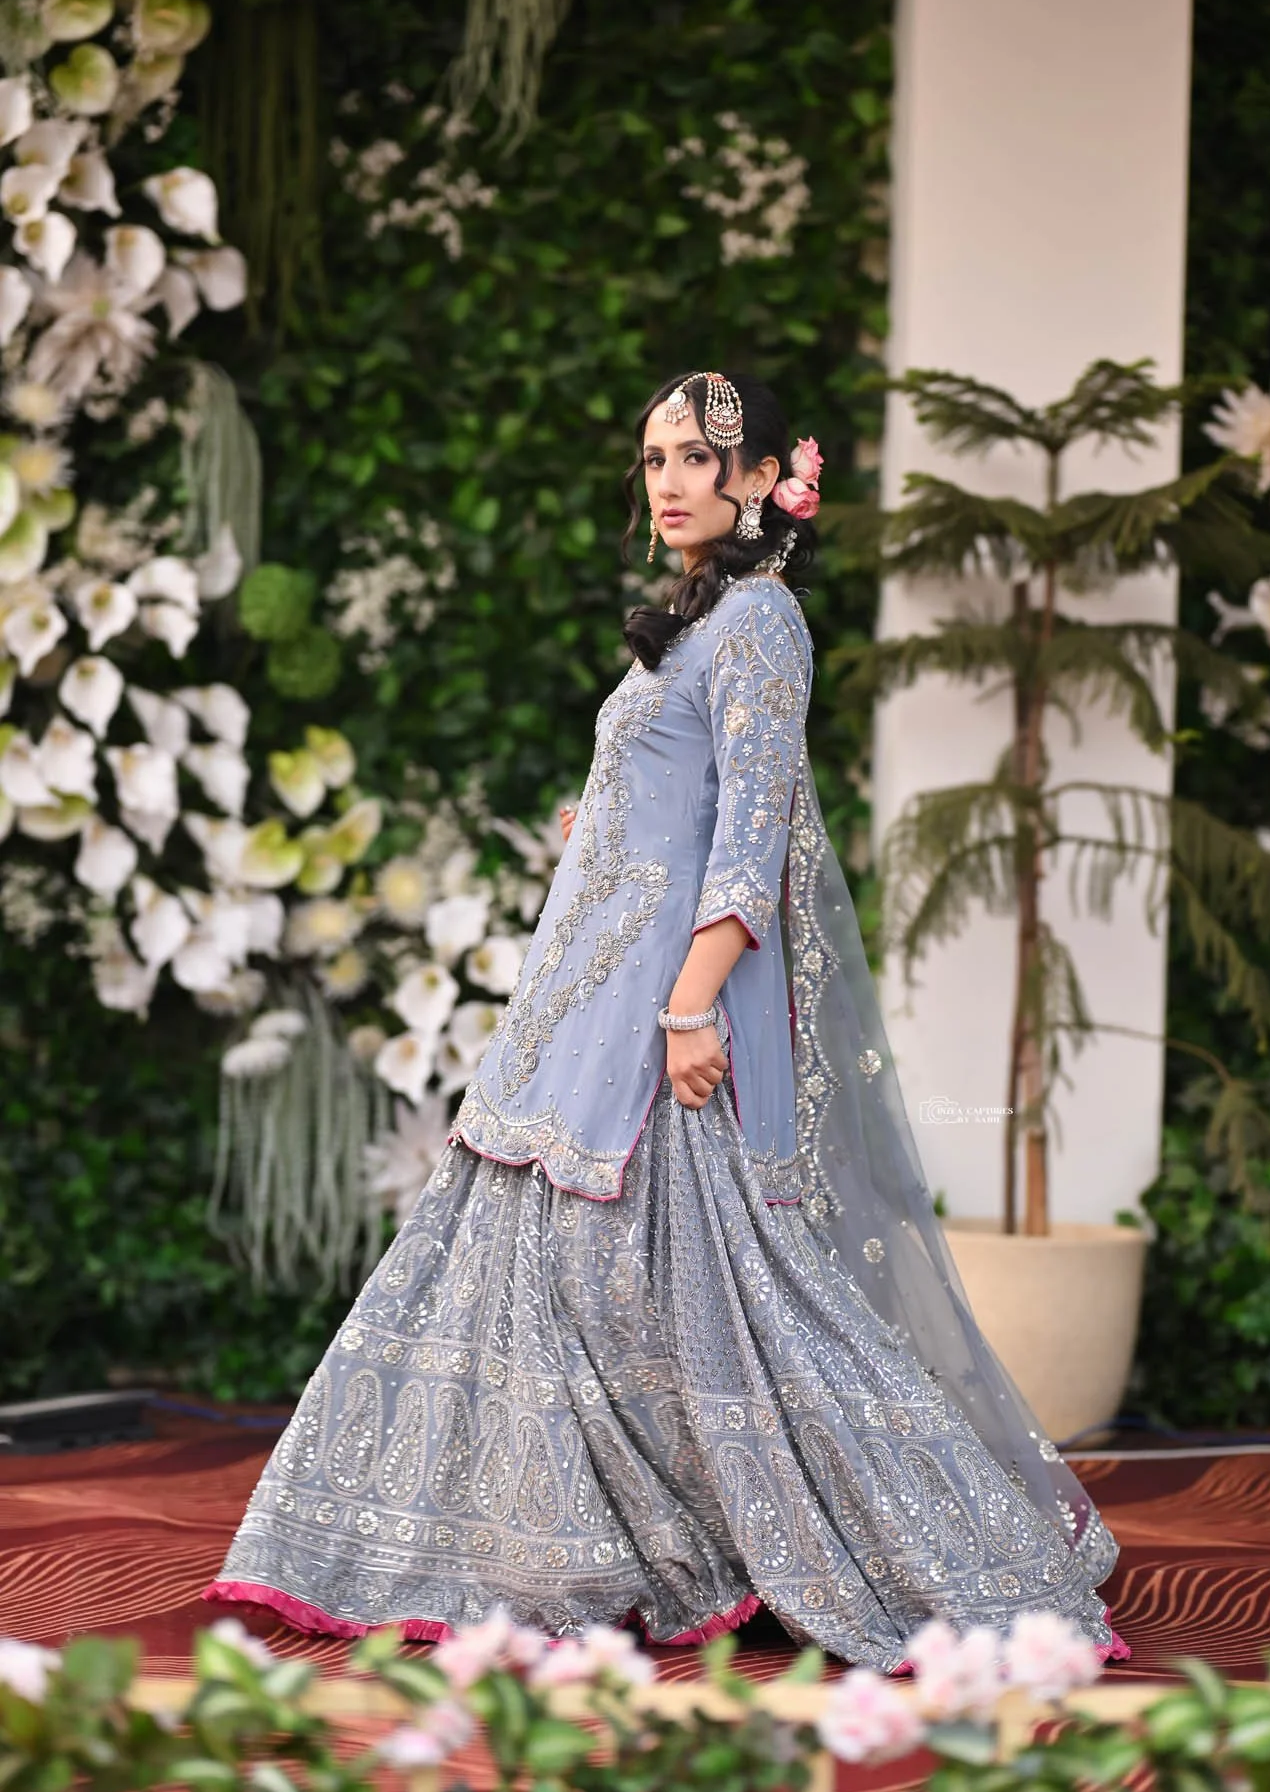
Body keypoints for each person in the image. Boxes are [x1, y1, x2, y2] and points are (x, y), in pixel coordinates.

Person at [203, 369, 1127, 1669]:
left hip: (661, 1039)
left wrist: (693, 1008)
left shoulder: (758, 626)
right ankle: (579, 1550)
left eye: (699, 456)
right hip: (588, 1021)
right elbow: (679, 810)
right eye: (654, 460)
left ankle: (924, 1544)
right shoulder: (696, 631)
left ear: (758, 481)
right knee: (592, 1292)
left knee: (736, 1304)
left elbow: (750, 836)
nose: (673, 480)